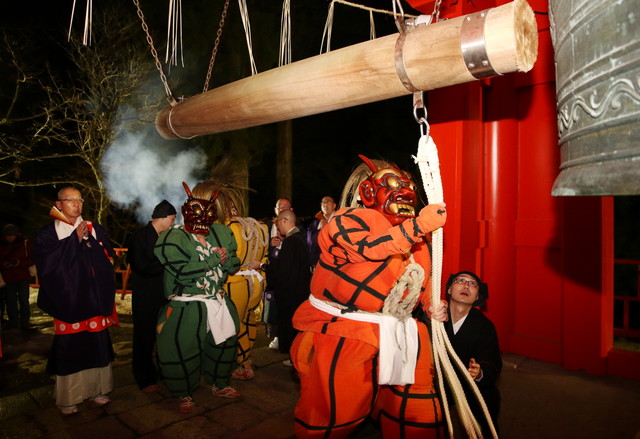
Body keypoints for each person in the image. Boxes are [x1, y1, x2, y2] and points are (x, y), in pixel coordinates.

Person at [291, 155, 449, 438]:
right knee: (334, 414)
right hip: (345, 331)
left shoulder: (418, 241)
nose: (407, 192)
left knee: (416, 414)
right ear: (367, 192)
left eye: (409, 185)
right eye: (392, 184)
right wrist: (418, 227)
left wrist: (432, 305)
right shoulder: (346, 221)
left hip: (400, 332)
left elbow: (420, 282)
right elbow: (367, 249)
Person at [154, 182, 241, 413]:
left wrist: (225, 259)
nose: (203, 218)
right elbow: (182, 271)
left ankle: (219, 382)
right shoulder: (173, 237)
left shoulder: (221, 233)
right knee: (183, 349)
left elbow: (234, 264)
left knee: (224, 344)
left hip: (218, 301)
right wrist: (211, 261)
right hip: (187, 306)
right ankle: (183, 392)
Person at [34, 187, 118, 416]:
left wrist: (92, 242)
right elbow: (48, 267)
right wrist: (73, 241)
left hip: (94, 298)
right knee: (70, 348)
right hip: (68, 300)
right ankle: (69, 398)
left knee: (97, 343)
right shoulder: (48, 233)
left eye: (79, 200)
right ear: (58, 204)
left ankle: (98, 390)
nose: (76, 204)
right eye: (69, 200)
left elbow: (109, 254)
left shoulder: (94, 227)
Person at [193, 160, 270, 380]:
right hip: (253, 283)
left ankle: (236, 364)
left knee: (232, 326)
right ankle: (246, 360)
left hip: (235, 283)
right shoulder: (257, 225)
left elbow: (224, 261)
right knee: (247, 322)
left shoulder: (228, 229)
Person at [443, 270, 502, 436]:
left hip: (471, 385)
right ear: (449, 290)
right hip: (439, 382)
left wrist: (480, 373)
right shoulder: (434, 316)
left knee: (485, 414)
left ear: (477, 297)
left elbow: (493, 363)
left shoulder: (485, 327)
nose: (466, 285)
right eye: (460, 281)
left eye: (473, 284)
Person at [127, 200, 177, 392]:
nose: (173, 222)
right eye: (172, 219)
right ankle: (145, 378)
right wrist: (168, 263)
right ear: (163, 217)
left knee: (165, 337)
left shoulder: (166, 236)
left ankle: (165, 373)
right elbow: (140, 265)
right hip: (146, 297)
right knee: (144, 339)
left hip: (164, 296)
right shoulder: (140, 236)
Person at [253, 208, 310, 366]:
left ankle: (293, 358)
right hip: (300, 292)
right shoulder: (300, 238)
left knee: (291, 329)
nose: (278, 229)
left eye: (278, 225)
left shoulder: (291, 242)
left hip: (290, 295)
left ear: (285, 221)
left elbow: (282, 273)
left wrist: (262, 265)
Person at [0, 224, 36, 331]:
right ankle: (13, 322)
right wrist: (5, 264)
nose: (9, 237)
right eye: (7, 235)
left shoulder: (24, 243)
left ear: (16, 234)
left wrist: (19, 263)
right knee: (10, 301)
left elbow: (32, 259)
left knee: (23, 300)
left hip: (22, 276)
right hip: (9, 278)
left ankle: (25, 323)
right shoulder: (2, 246)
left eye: (11, 235)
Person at [305, 196, 336, 269]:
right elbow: (310, 242)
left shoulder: (338, 220)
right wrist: (320, 230)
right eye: (323, 203)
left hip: (334, 262)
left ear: (334, 205)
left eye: (328, 202)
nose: (325, 205)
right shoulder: (315, 224)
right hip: (317, 262)